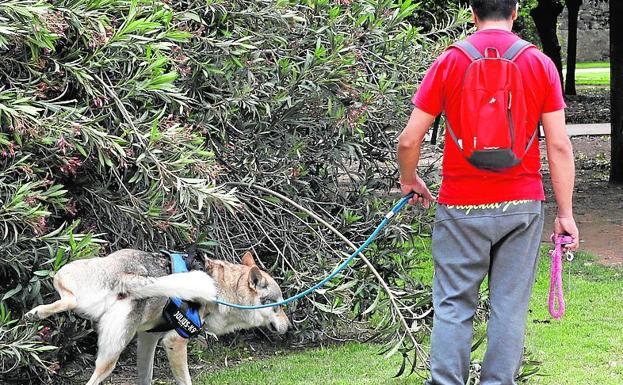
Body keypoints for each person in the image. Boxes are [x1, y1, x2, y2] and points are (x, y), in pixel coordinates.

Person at [396, 1, 579, 384]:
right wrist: (565, 213)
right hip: (522, 205)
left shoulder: (449, 61)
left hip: (460, 206)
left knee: (453, 306)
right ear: (515, 12)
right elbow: (559, 145)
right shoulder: (540, 64)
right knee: (509, 309)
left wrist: (409, 179)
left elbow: (409, 138)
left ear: (471, 13)